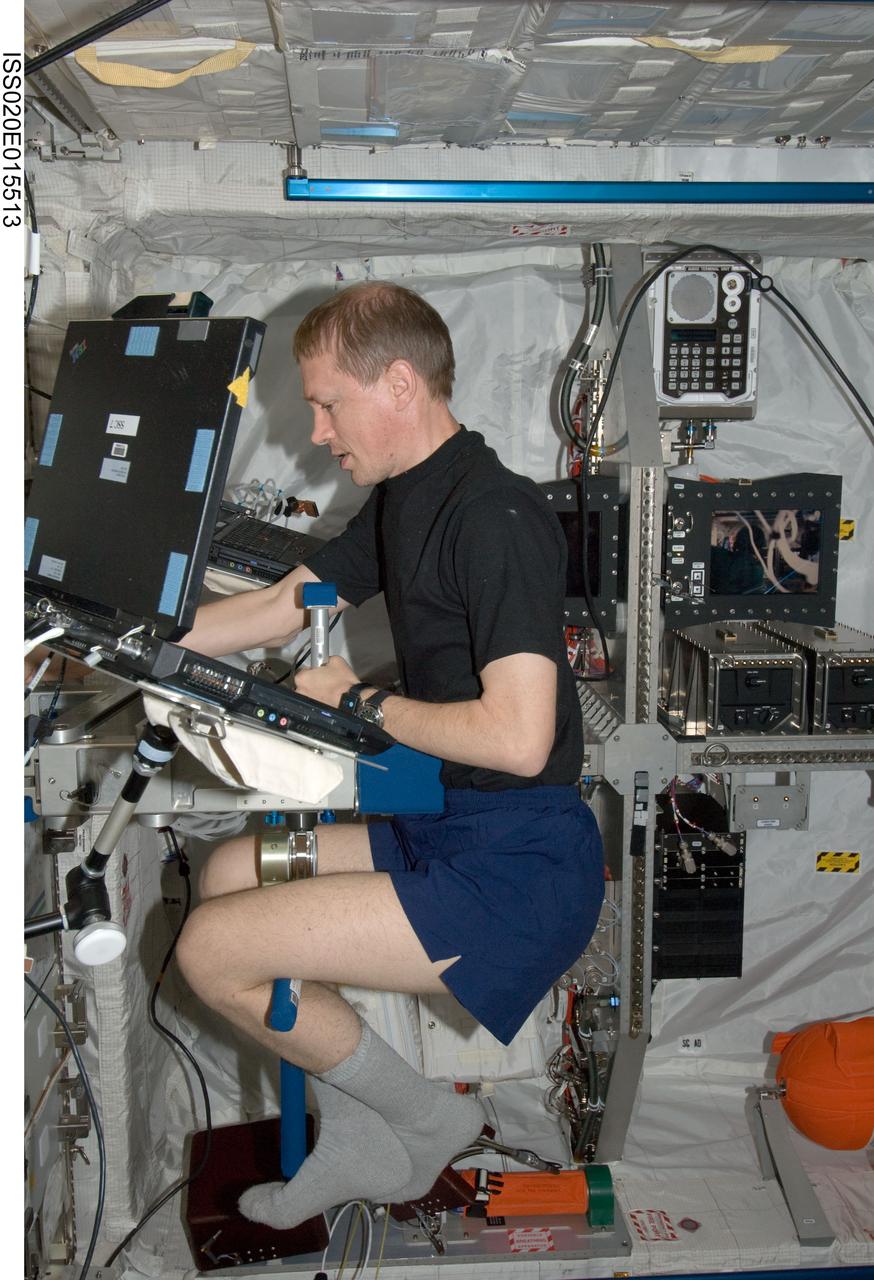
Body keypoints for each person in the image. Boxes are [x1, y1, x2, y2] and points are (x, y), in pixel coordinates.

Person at [175, 281, 604, 1229]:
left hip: (517, 867)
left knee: (210, 953)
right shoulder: (407, 497)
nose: (317, 432)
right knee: (231, 870)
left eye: (329, 404)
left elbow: (520, 739)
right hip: (447, 826)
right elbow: (282, 603)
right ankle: (360, 1125)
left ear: (399, 384)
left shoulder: (491, 515)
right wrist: (142, 639)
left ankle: (420, 1118)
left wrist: (360, 699)